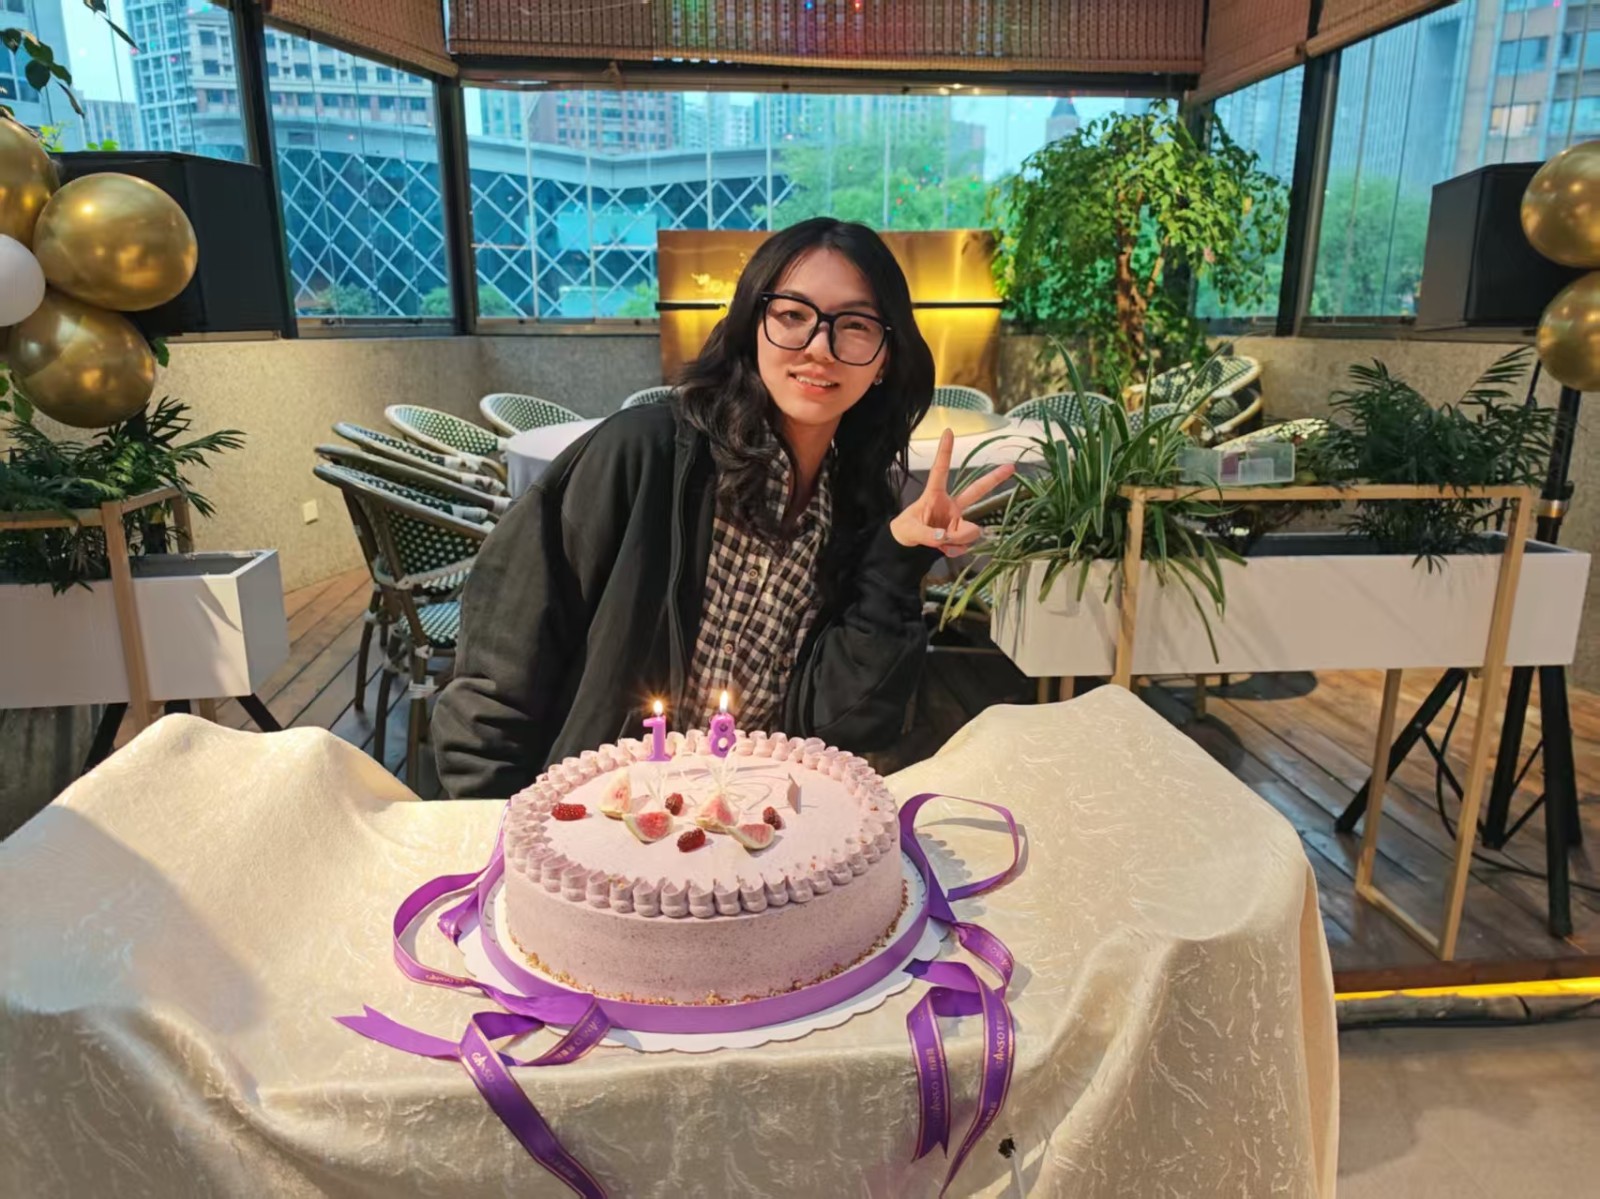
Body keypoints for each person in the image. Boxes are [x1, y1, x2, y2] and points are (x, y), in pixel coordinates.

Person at [433, 217, 1013, 798]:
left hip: (756, 819)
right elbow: (501, 668)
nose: (819, 347)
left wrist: (896, 560)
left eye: (856, 325)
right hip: (596, 820)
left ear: (885, 357)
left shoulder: (856, 509)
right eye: (793, 315)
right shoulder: (644, 455)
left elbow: (844, 725)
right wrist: (494, 820)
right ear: (752, 324)